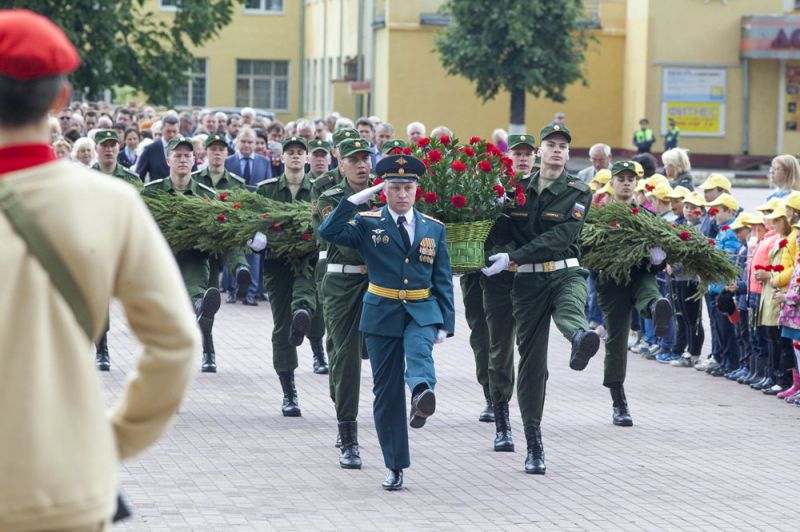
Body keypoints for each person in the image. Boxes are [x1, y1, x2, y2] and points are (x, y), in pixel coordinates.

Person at [0, 11, 196, 530]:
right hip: (63, 489)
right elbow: (176, 344)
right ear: (62, 100)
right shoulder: (111, 203)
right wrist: (113, 439)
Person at [318, 153, 455, 491]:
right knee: (386, 392)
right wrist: (355, 200)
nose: (402, 194)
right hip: (380, 310)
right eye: (395, 187)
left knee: (419, 350)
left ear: (416, 190)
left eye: (408, 187)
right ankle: (395, 465)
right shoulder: (367, 222)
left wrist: (445, 323)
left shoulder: (433, 228)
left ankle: (422, 391)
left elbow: (443, 279)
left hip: (422, 309)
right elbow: (328, 230)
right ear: (384, 190)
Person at [482, 123, 600, 474]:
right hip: (528, 285)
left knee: (570, 310)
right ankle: (533, 441)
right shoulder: (516, 190)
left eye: (563, 146)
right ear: (539, 152)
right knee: (532, 366)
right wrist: (500, 253)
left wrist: (515, 256)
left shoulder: (579, 190)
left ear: (568, 153)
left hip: (565, 270)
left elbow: (563, 236)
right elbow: (500, 232)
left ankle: (580, 338)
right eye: (550, 144)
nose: (557, 151)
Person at [594, 161, 674, 426]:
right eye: (622, 178)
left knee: (650, 291)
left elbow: (660, 259)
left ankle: (656, 311)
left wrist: (658, 259)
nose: (627, 182)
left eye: (631, 179)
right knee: (617, 340)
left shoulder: (648, 217)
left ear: (636, 184)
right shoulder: (600, 217)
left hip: (641, 275)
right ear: (613, 183)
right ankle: (619, 401)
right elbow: (588, 253)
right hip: (612, 283)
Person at [314, 138, 376, 469]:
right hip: (343, 283)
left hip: (380, 279)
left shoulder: (385, 193)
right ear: (342, 165)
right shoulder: (330, 198)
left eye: (366, 158)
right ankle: (349, 437)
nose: (362, 164)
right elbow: (341, 238)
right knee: (346, 357)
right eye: (354, 159)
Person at [252, 136, 321, 416]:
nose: (295, 156)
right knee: (281, 327)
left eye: (299, 153)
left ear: (306, 159)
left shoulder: (319, 190)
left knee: (306, 299)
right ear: (281, 158)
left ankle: (302, 315)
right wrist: (255, 240)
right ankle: (289, 393)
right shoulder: (266, 190)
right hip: (277, 264)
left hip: (308, 259)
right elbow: (252, 223)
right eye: (290, 152)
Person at [143, 136, 222, 373]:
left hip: (193, 257)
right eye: (177, 155)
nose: (183, 160)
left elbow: (218, 227)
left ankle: (201, 312)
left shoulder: (206, 195)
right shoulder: (151, 192)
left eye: (187, 156)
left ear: (194, 160)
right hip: (161, 259)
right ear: (168, 160)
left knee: (197, 292)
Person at [482, 133, 538, 452]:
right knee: (499, 349)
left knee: (532, 355)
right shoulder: (495, 185)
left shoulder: (545, 188)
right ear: (509, 156)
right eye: (517, 153)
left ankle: (532, 421)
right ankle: (502, 421)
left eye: (528, 153)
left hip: (532, 279)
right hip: (498, 279)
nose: (522, 158)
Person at [191, 133, 253, 308]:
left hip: (224, 237)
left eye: (221, 150)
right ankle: (205, 328)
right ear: (205, 152)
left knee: (232, 249)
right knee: (207, 288)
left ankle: (241, 271)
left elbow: (241, 211)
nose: (217, 153)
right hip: (199, 239)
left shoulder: (236, 183)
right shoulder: (195, 179)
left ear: (227, 153)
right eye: (213, 149)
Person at [136, 114, 180, 182]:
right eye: (168, 131)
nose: (171, 135)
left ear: (178, 131)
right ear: (162, 129)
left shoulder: (186, 150)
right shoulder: (150, 150)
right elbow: (139, 177)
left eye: (174, 131)